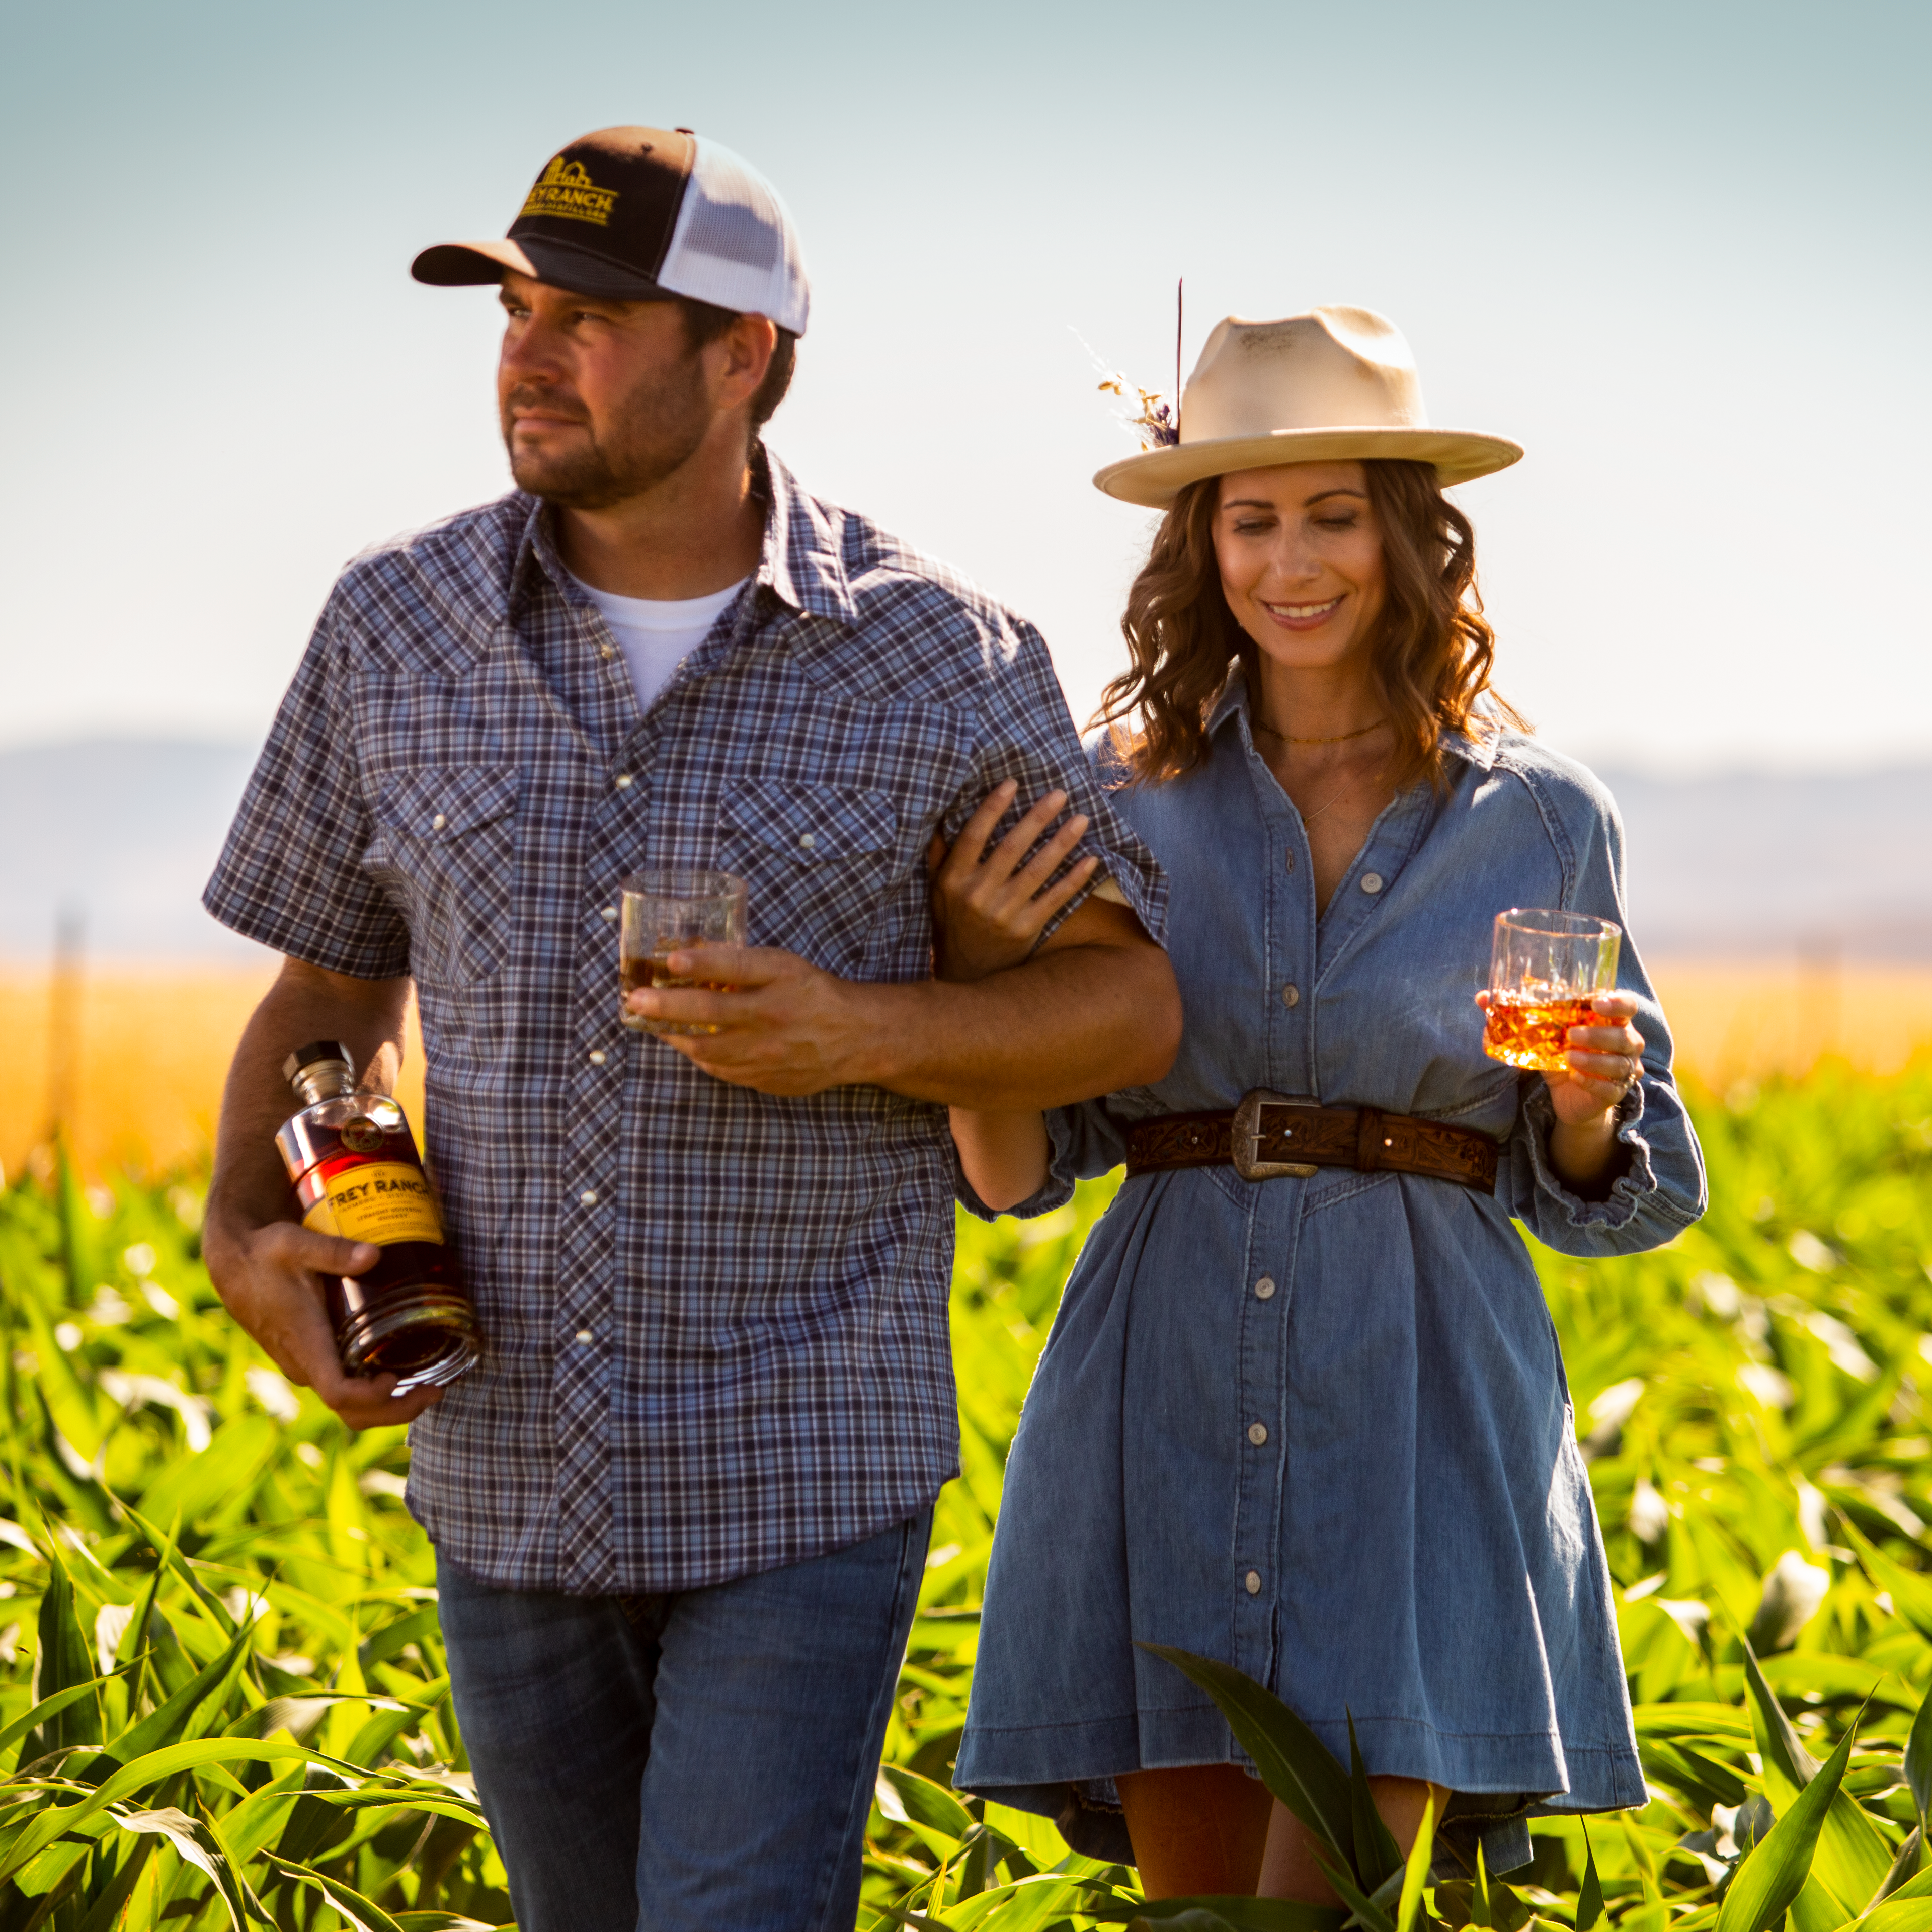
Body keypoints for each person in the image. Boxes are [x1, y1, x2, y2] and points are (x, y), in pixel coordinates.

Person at [199, 126, 1179, 1932]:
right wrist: (241, 1240)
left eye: (588, 315)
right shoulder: (390, 626)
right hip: (496, 1467)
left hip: (800, 1467)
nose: (527, 349)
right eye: (513, 309)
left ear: (747, 354)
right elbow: (326, 986)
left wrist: (862, 1030)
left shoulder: (943, 657)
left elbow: (1126, 1007)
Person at [932, 307, 1707, 1899]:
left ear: (1411, 539)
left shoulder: (1544, 821)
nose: (1294, 562)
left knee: (1337, 1897)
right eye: (1253, 518)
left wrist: (1578, 1102)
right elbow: (1023, 1171)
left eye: (1335, 515)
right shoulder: (1118, 795)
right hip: (1160, 1376)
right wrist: (970, 988)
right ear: (1202, 545)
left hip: (1418, 1384)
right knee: (1202, 1907)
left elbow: (1618, 1191)